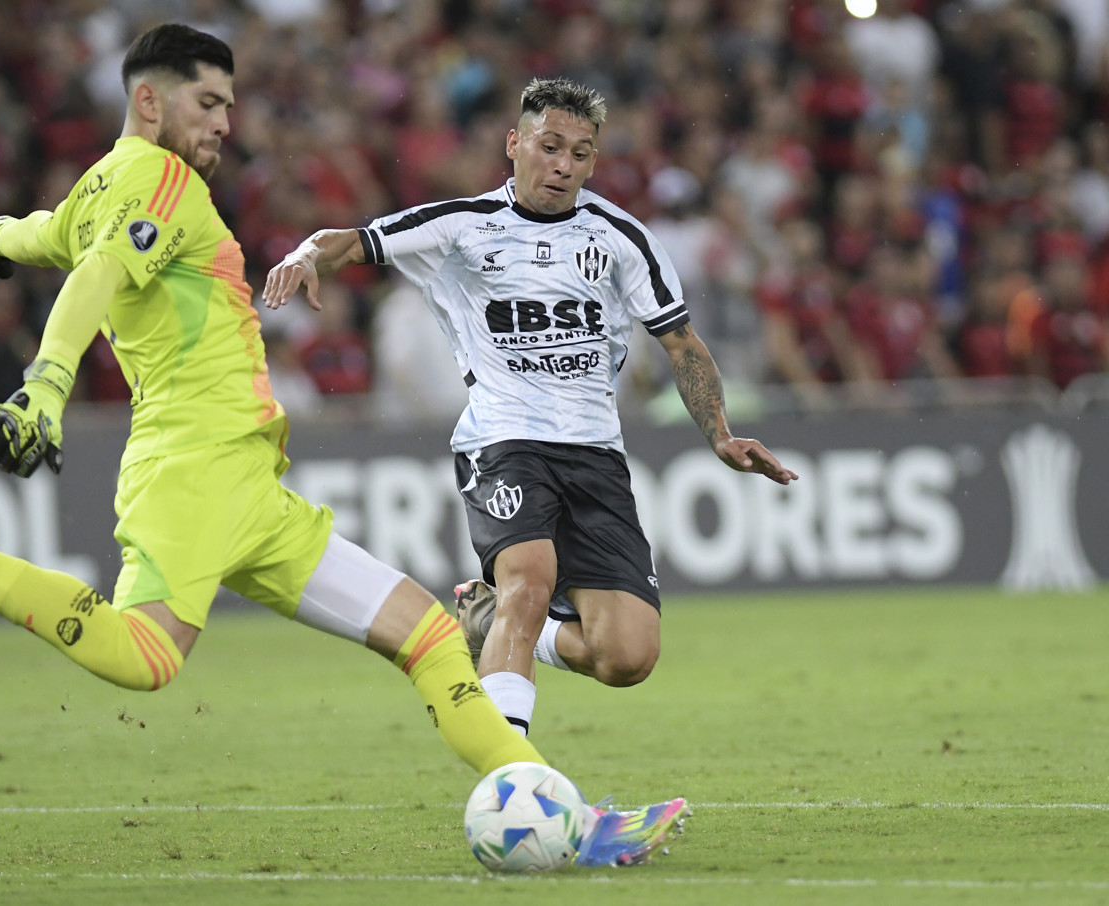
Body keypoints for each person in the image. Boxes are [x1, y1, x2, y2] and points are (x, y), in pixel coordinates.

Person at [0, 26, 686, 868]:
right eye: (209, 103)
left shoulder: (105, 184)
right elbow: (92, 274)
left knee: (434, 639)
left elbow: (47, 238)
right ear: (150, 103)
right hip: (194, 466)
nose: (225, 121)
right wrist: (45, 387)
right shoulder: (163, 184)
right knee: (145, 658)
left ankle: (565, 814)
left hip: (251, 483)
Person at [264, 77, 798, 740]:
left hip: (596, 451)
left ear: (593, 161)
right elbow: (351, 239)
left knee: (627, 656)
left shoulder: (622, 239)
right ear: (514, 143)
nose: (563, 165)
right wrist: (305, 254)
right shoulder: (460, 227)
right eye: (549, 147)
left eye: (579, 153)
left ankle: (483, 622)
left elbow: (681, 343)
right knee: (530, 581)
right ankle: (511, 776)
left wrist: (719, 434)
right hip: (503, 439)